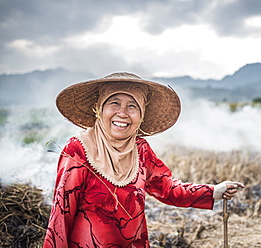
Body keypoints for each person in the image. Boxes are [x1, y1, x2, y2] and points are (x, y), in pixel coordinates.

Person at [43, 72, 244, 248]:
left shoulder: (141, 150)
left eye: (132, 106)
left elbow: (167, 189)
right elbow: (61, 215)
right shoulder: (78, 150)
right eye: (114, 103)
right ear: (99, 109)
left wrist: (212, 191)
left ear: (141, 115)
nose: (122, 113)